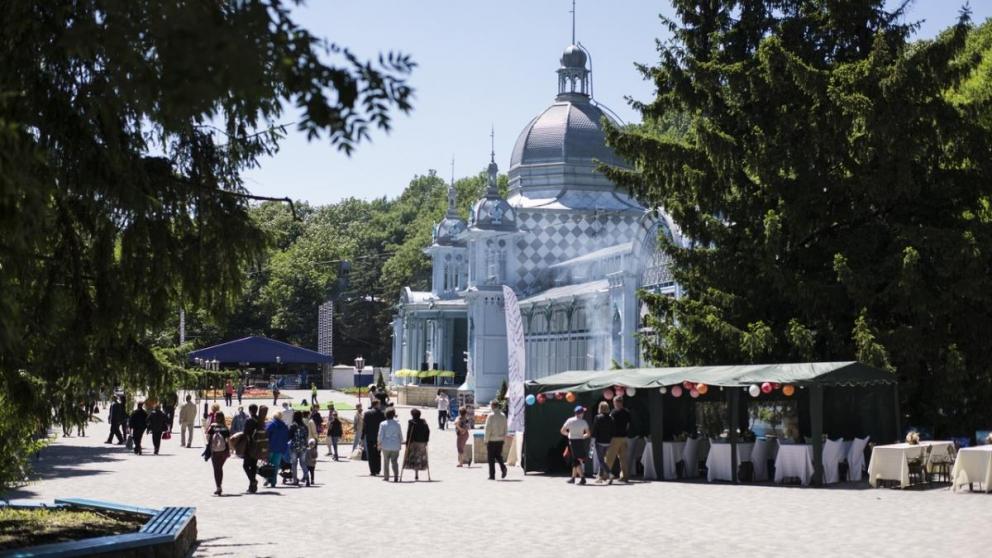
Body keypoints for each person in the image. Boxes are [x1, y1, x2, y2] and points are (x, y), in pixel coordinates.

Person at [604, 396, 632, 483]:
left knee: (609, 458)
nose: (614, 403)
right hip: (624, 437)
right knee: (623, 458)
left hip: (614, 438)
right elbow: (628, 425)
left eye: (614, 402)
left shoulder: (613, 413)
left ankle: (604, 476)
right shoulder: (627, 412)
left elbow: (609, 425)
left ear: (617, 402)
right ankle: (625, 476)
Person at [561, 405, 591, 485]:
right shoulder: (584, 422)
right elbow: (588, 434)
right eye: (583, 412)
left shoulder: (570, 420)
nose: (583, 414)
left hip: (572, 441)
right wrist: (582, 436)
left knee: (575, 460)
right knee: (576, 460)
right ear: (580, 414)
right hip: (580, 441)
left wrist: (569, 434)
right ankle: (575, 478)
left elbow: (562, 431)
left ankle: (580, 478)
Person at [207, 411, 231, 495]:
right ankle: (219, 486)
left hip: (214, 450)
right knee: (220, 468)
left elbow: (208, 438)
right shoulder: (225, 427)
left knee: (216, 469)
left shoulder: (213, 427)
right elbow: (228, 440)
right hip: (224, 451)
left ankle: (218, 486)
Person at [591, 401, 615, 484]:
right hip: (608, 442)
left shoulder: (597, 417)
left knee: (600, 460)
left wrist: (592, 440)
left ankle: (610, 473)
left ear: (600, 408)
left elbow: (594, 430)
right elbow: (612, 431)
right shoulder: (611, 418)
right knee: (602, 459)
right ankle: (600, 478)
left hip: (599, 441)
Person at [264, 410, 289, 488]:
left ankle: (268, 478)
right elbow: (286, 437)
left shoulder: (271, 424)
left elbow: (266, 434)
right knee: (276, 465)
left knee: (268, 464)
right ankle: (273, 481)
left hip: (270, 447)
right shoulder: (284, 425)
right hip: (279, 449)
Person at [484, 401, 508, 480]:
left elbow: (488, 429)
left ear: (493, 406)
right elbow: (506, 428)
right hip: (500, 439)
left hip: (492, 440)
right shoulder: (503, 416)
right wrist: (504, 438)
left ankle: (492, 475)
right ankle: (503, 467)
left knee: (491, 458)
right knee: (498, 455)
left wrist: (486, 440)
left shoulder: (490, 416)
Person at [378, 408, 403, 482]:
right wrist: (401, 442)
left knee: (386, 461)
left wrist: (379, 443)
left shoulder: (383, 424)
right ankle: (396, 476)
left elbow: (380, 435)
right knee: (395, 461)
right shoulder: (397, 424)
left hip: (386, 445)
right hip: (395, 445)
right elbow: (400, 434)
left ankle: (386, 477)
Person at [405, 408, 430, 481]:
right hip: (422, 442)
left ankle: (416, 473)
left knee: (414, 457)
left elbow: (409, 433)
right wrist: (426, 440)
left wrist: (407, 443)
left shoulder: (411, 422)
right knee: (420, 457)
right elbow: (428, 431)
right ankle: (417, 473)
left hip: (413, 443)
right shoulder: (424, 422)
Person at [242, 404, 262, 493]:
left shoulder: (249, 420)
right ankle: (252, 487)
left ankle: (253, 481)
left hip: (249, 446)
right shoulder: (260, 419)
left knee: (245, 466)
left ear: (250, 410)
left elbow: (245, 433)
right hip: (258, 446)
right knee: (253, 466)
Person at [363, 400, 385, 476]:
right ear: (377, 405)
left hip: (369, 437)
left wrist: (362, 437)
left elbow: (364, 426)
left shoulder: (367, 414)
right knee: (378, 454)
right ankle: (377, 469)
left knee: (371, 454)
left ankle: (372, 471)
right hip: (378, 437)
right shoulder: (382, 414)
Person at [288, 411, 309, 486]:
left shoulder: (293, 426)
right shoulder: (304, 426)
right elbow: (306, 436)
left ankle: (295, 480)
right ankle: (307, 478)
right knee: (303, 463)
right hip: (303, 447)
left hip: (294, 447)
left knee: (294, 464)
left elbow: (289, 437)